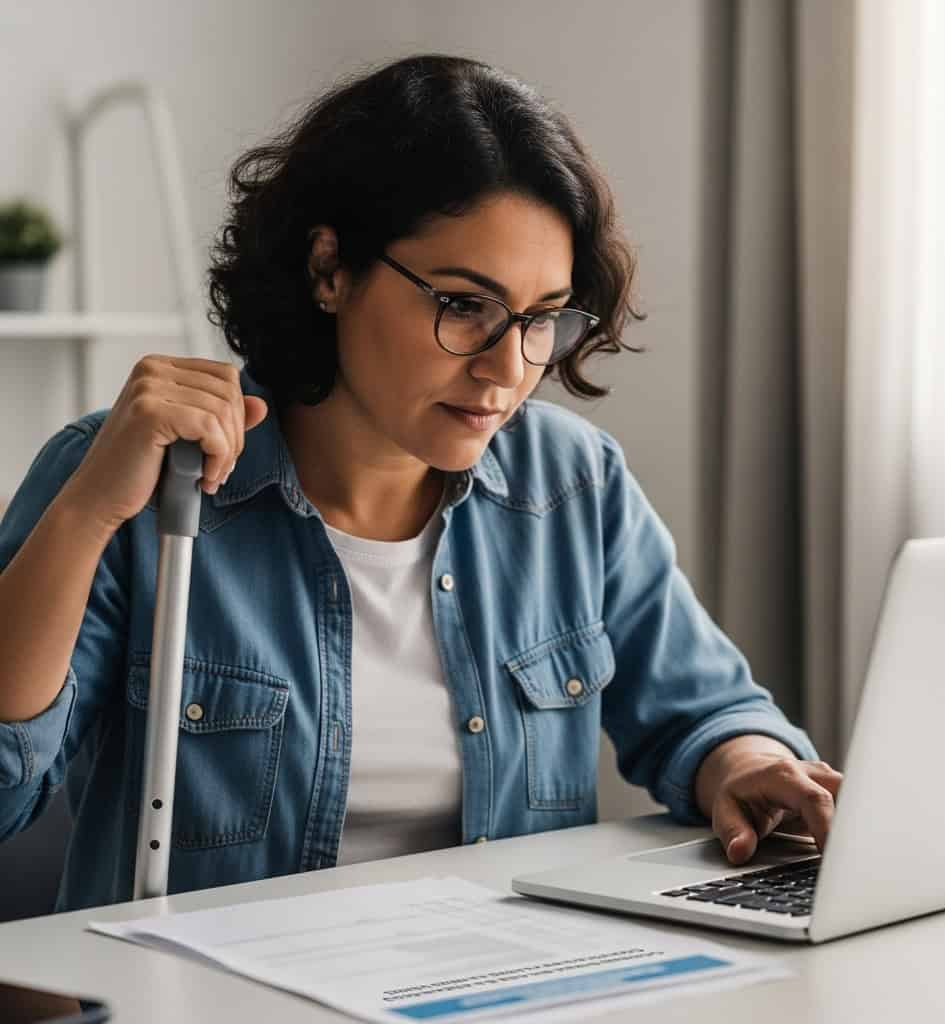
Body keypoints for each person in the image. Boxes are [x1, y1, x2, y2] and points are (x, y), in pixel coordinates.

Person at [0, 54, 841, 913]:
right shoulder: (133, 478)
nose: (507, 370)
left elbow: (701, 711)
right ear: (329, 269)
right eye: (463, 305)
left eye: (541, 317)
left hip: (509, 990)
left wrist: (749, 765)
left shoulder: (571, 485)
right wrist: (86, 513)